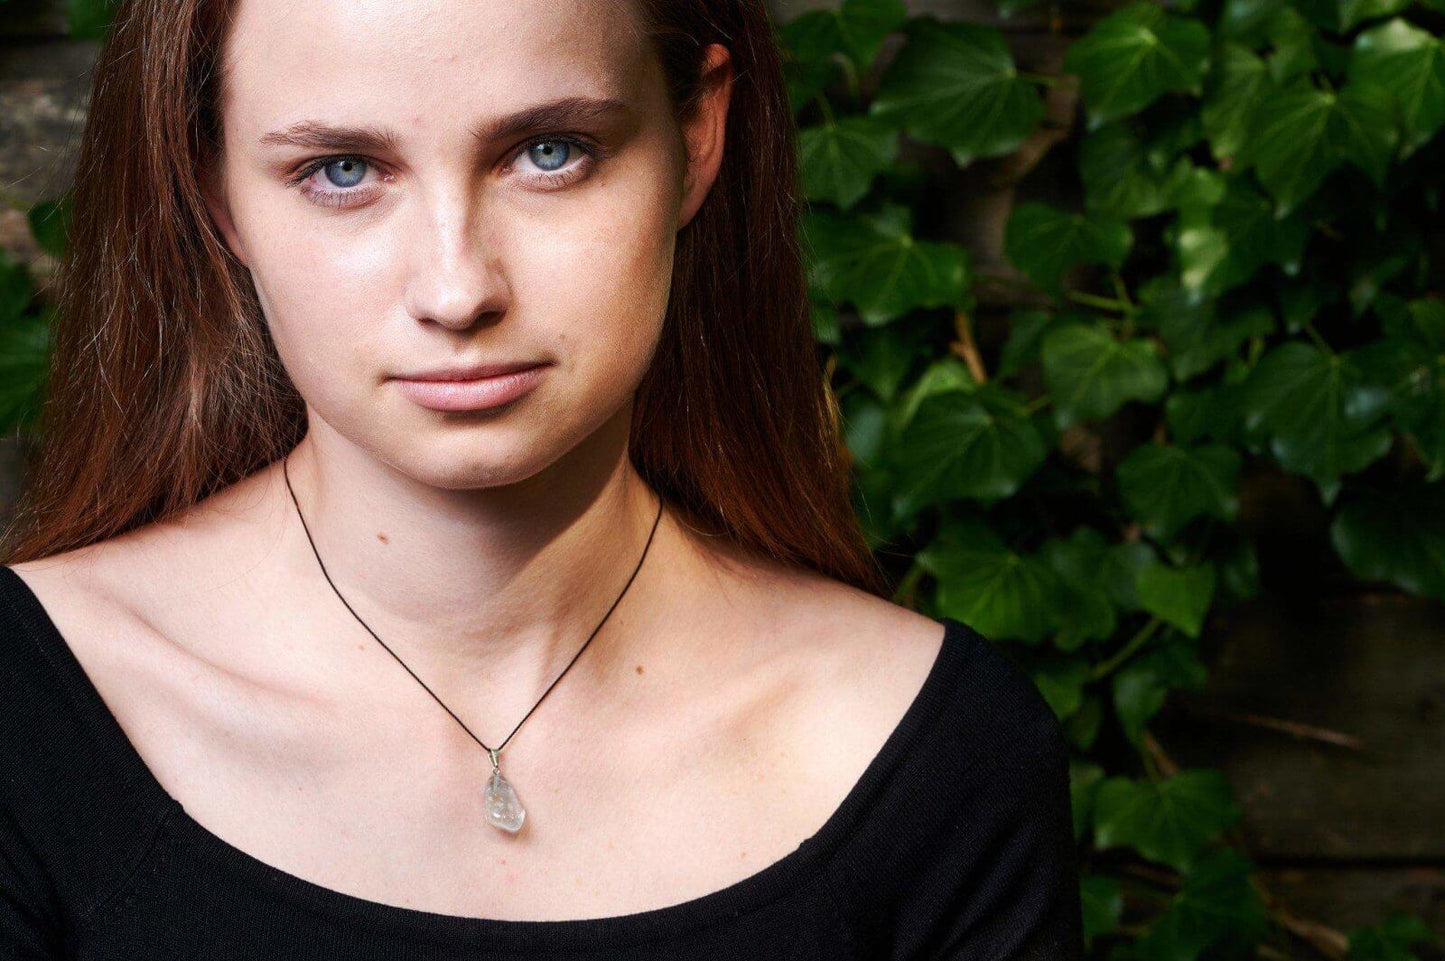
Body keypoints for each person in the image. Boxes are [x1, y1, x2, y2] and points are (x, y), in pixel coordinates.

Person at [0, 0, 1084, 956]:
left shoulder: (933, 747)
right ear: (214, 189)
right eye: (342, 170)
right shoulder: (27, 715)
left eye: (550, 152)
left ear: (697, 133)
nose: (457, 289)